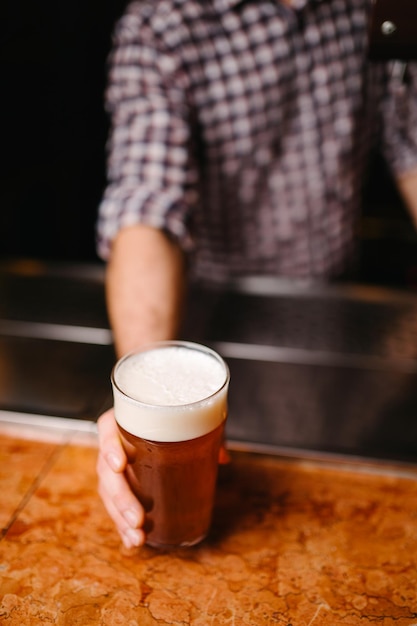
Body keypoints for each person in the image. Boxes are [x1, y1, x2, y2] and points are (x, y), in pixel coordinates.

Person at [95, 0, 417, 549]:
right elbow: (147, 207)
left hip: (336, 317)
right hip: (206, 327)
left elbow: (412, 146)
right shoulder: (164, 22)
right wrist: (148, 398)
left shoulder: (378, 5)